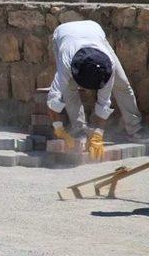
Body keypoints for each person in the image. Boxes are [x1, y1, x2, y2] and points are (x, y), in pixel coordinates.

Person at [47, 20, 149, 160]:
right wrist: (59, 129)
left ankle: (135, 129)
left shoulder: (108, 67)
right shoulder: (66, 63)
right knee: (69, 90)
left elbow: (104, 103)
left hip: (95, 34)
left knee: (122, 84)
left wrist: (98, 134)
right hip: (64, 35)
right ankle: (79, 130)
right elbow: (53, 99)